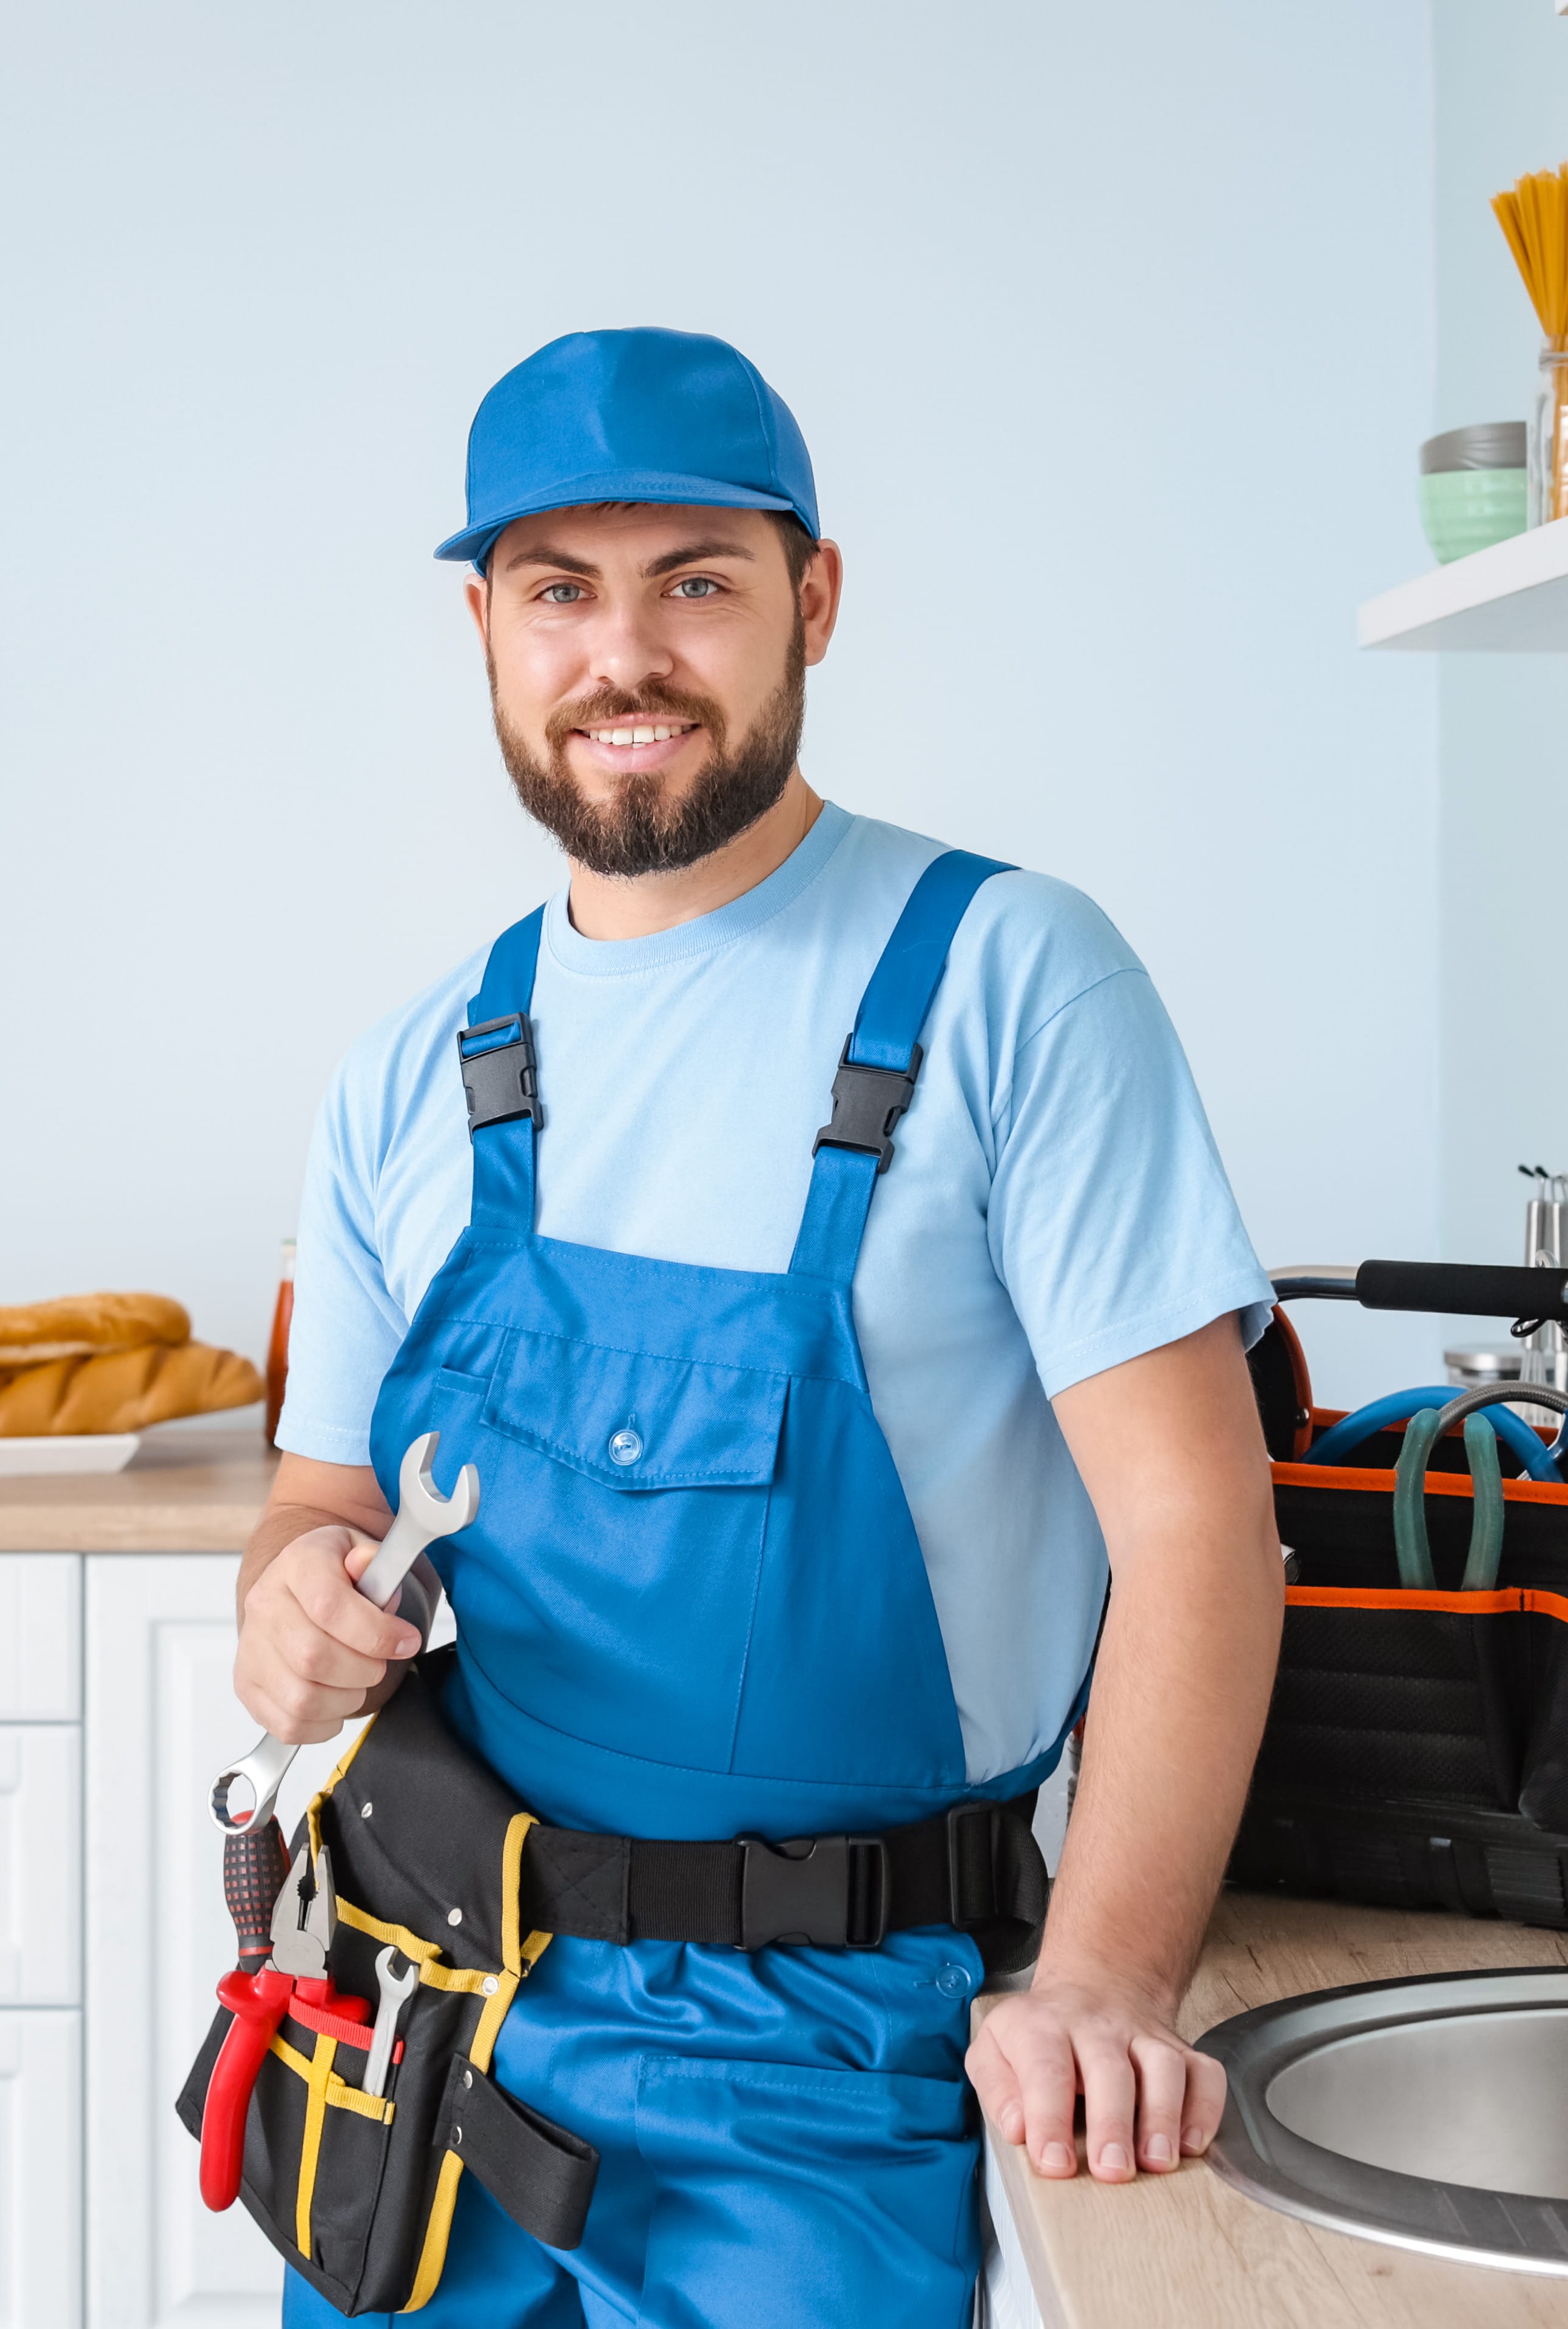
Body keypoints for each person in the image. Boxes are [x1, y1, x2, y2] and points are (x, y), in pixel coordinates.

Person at [240, 325, 1283, 2327]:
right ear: (486, 628)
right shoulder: (415, 1072)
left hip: (834, 2064)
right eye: (560, 592)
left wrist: (1108, 1979)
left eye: (694, 584)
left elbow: (1199, 1534)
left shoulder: (1007, 979)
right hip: (440, 2027)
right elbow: (318, 1499)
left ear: (812, 598)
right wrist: (287, 1601)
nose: (622, 657)